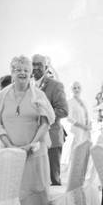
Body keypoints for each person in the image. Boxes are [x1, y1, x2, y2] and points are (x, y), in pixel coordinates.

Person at [0, 55, 55, 205]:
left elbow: (45, 123)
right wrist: (11, 147)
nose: (23, 73)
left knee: (38, 188)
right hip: (11, 152)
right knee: (15, 191)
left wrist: (30, 145)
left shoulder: (38, 95)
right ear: (11, 72)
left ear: (30, 73)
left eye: (26, 70)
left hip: (34, 150)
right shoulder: (3, 95)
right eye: (18, 70)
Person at [30, 54, 68, 186]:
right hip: (31, 139)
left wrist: (41, 114)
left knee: (52, 180)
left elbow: (63, 110)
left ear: (46, 67)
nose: (35, 67)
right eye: (33, 64)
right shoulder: (27, 86)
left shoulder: (55, 85)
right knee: (36, 181)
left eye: (39, 64)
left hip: (51, 138)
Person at [65, 80, 92, 157]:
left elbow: (89, 115)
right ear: (71, 90)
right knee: (76, 152)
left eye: (78, 88)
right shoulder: (70, 102)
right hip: (77, 131)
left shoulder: (84, 101)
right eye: (74, 88)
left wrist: (89, 125)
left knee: (86, 152)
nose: (77, 90)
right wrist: (83, 126)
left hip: (86, 131)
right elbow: (69, 118)